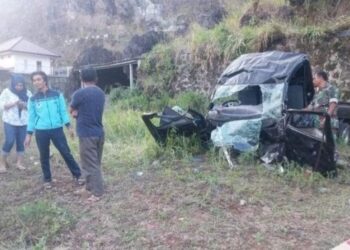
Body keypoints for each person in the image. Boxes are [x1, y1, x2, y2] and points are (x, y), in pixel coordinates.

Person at [24, 71, 83, 189]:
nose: (36, 82)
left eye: (38, 79)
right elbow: (31, 117)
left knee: (65, 152)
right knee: (44, 155)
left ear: (44, 80)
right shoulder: (33, 99)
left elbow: (62, 112)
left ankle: (77, 175)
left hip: (57, 129)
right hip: (41, 131)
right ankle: (47, 179)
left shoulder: (57, 95)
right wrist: (29, 134)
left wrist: (69, 127)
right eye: (34, 80)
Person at [70, 67, 105, 202]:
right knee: (94, 162)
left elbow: (71, 109)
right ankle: (88, 187)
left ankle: (97, 193)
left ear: (82, 79)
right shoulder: (101, 93)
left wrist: (75, 113)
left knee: (90, 164)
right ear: (96, 78)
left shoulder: (79, 94)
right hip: (99, 132)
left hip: (86, 134)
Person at [0, 74, 32, 173]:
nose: (19, 87)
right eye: (17, 85)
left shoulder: (28, 93)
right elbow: (2, 106)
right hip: (10, 121)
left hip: (23, 122)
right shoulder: (6, 92)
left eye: (21, 85)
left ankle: (19, 163)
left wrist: (24, 105)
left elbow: (32, 107)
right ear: (13, 84)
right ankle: (2, 163)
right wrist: (15, 103)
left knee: (21, 142)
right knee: (9, 141)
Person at [309, 70, 340, 136]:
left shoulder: (331, 89)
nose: (312, 81)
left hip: (329, 125)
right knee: (318, 145)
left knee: (329, 145)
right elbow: (311, 107)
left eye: (314, 78)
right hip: (318, 125)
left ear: (320, 78)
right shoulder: (317, 93)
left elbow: (333, 104)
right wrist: (298, 111)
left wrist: (327, 118)